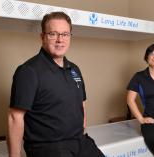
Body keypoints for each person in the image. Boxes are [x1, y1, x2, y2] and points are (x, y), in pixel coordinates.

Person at [7, 12, 105, 157]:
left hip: (79, 142)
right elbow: (15, 117)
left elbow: (81, 103)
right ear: (42, 37)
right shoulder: (29, 71)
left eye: (65, 34)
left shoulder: (74, 69)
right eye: (53, 34)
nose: (60, 40)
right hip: (48, 147)